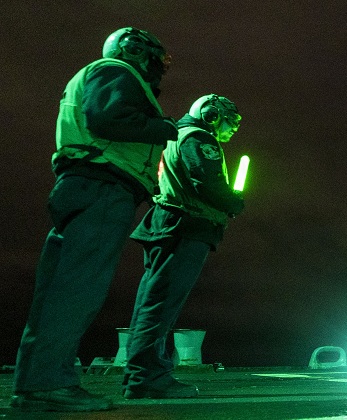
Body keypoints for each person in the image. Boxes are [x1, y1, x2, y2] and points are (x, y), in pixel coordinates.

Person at [11, 27, 176, 412]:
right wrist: (166, 127)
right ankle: (51, 384)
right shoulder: (118, 71)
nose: (157, 66)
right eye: (154, 56)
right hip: (103, 186)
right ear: (135, 50)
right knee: (78, 290)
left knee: (58, 291)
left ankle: (36, 383)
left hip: (83, 185)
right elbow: (107, 119)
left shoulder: (99, 72)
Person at [122, 94, 244, 399]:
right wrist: (233, 204)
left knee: (149, 302)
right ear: (212, 114)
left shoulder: (175, 136)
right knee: (162, 303)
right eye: (230, 122)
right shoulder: (199, 138)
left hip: (166, 225)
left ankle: (139, 377)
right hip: (186, 227)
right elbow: (206, 181)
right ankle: (149, 377)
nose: (232, 131)